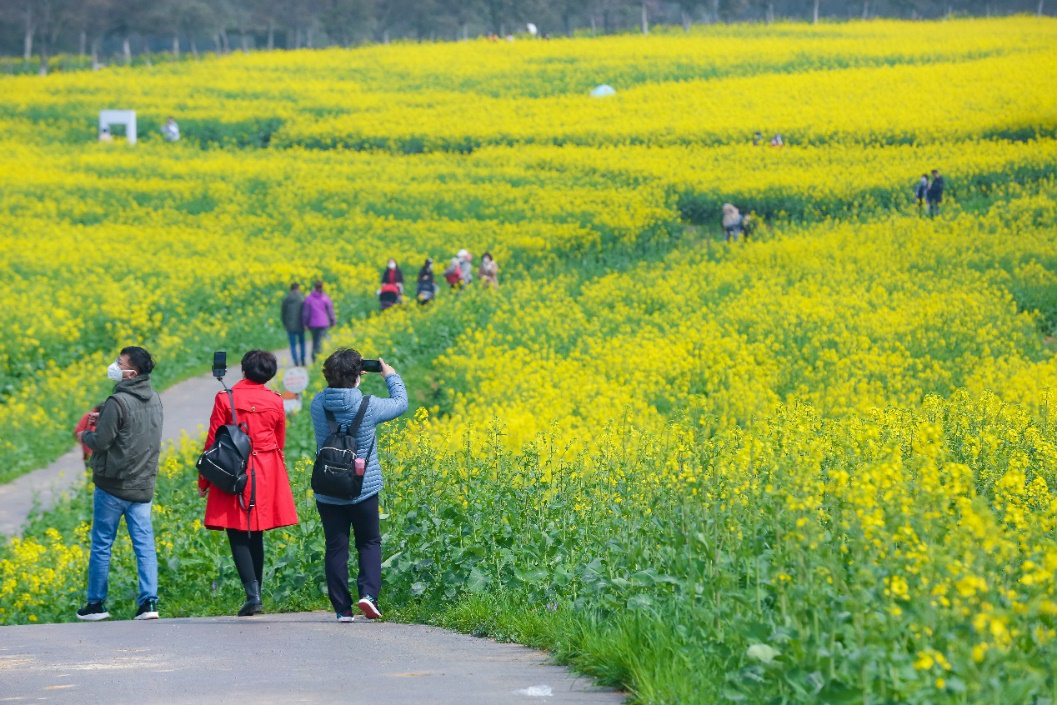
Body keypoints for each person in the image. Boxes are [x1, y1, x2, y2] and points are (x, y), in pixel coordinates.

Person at [310, 349, 407, 622]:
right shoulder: (370, 405)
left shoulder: (318, 404)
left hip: (328, 489)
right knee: (368, 542)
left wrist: (347, 376)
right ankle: (369, 595)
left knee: (336, 546)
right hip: (363, 488)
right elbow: (401, 402)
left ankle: (342, 609)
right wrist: (391, 376)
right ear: (359, 374)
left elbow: (334, 398)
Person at [199, 350, 298, 617]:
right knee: (258, 530)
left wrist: (204, 479)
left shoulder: (225, 398)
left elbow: (213, 442)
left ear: (243, 370)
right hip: (266, 471)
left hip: (233, 469)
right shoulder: (276, 400)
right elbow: (280, 441)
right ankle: (257, 594)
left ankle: (252, 595)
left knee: (237, 530)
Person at [75, 346, 164, 622]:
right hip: (142, 487)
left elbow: (101, 442)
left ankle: (96, 604)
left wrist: (84, 435)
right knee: (144, 545)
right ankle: (149, 603)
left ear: (131, 372)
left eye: (119, 362)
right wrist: (104, 423)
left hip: (112, 487)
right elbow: (135, 432)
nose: (114, 365)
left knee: (102, 544)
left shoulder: (118, 401)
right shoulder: (155, 399)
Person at [302, 280, 336, 363]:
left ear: (314, 287)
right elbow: (330, 311)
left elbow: (306, 312)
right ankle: (320, 358)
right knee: (321, 342)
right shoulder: (325, 297)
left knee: (315, 341)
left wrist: (305, 323)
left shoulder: (309, 297)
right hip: (324, 323)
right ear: (322, 287)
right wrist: (332, 321)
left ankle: (314, 358)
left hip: (313, 324)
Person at [281, 282, 306, 366]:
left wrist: (285, 324)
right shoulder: (302, 298)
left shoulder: (286, 299)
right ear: (298, 289)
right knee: (302, 342)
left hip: (290, 325)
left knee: (293, 344)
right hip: (301, 325)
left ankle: (295, 362)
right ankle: (303, 360)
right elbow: (306, 312)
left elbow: (283, 314)